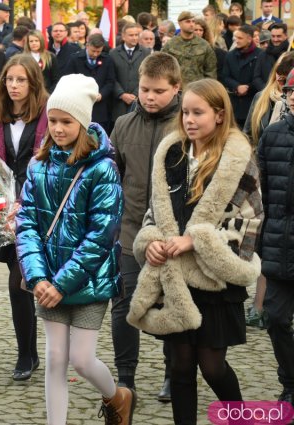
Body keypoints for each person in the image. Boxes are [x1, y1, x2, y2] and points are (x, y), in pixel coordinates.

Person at [127, 78, 263, 425]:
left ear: (219, 115)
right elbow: (153, 209)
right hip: (174, 277)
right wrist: (152, 241)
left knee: (213, 367)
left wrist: (198, 240)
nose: (189, 119)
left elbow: (250, 220)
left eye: (198, 113)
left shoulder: (237, 158)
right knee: (180, 366)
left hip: (215, 280)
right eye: (185, 112)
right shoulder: (171, 153)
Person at [15, 73, 133, 425]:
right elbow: (27, 225)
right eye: (52, 120)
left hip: (88, 282)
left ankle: (117, 397)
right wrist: (37, 277)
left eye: (66, 121)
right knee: (54, 358)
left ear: (83, 122)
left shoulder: (102, 168)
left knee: (81, 360)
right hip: (47, 278)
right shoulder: (38, 166)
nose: (58, 128)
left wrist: (62, 284)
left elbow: (102, 234)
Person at [110, 51, 181, 400]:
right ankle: (125, 377)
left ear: (176, 88)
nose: (150, 97)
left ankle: (174, 373)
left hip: (171, 236)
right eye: (144, 89)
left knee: (171, 304)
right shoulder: (123, 125)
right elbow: (113, 176)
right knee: (123, 305)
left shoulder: (186, 126)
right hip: (129, 230)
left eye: (158, 91)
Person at [0, 54, 49, 382]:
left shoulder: (49, 116)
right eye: (10, 79)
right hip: (8, 208)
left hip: (42, 206)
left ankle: (35, 352)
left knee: (26, 279)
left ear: (33, 82)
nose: (14, 85)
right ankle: (28, 353)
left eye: (21, 80)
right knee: (18, 280)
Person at [257, 67, 294, 413]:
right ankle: (290, 381)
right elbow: (261, 194)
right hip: (279, 243)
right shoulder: (272, 135)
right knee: (276, 318)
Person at [63, 33, 116, 133]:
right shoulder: (75, 59)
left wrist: (101, 94)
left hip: (100, 109)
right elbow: (68, 80)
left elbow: (110, 82)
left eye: (98, 51)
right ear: (87, 46)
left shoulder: (107, 60)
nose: (95, 54)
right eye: (93, 51)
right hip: (80, 106)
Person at [244, 51, 294, 144]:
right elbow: (247, 133)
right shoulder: (260, 97)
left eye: (286, 73)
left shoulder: (291, 101)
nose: (280, 77)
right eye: (279, 71)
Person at [162, 11, 217, 87]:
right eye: (188, 22)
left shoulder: (204, 45)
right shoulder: (170, 44)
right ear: (179, 23)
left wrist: (208, 89)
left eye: (193, 21)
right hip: (176, 89)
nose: (191, 24)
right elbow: (162, 68)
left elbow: (211, 71)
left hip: (198, 90)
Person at [222, 24, 261, 129]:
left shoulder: (261, 55)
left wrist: (248, 87)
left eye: (240, 38)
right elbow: (225, 76)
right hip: (234, 104)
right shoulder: (230, 56)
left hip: (253, 102)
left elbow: (261, 78)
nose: (236, 41)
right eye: (235, 38)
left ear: (249, 39)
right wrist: (237, 86)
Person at [110, 23, 150, 122]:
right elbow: (111, 77)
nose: (134, 38)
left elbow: (147, 75)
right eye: (131, 35)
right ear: (123, 36)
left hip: (138, 100)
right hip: (118, 104)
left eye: (136, 35)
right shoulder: (113, 53)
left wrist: (136, 94)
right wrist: (121, 94)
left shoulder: (145, 53)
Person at [252, 23, 289, 92]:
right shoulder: (263, 55)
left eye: (279, 36)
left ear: (286, 36)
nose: (275, 39)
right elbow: (256, 77)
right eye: (273, 36)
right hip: (267, 95)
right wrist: (267, 91)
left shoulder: (290, 54)